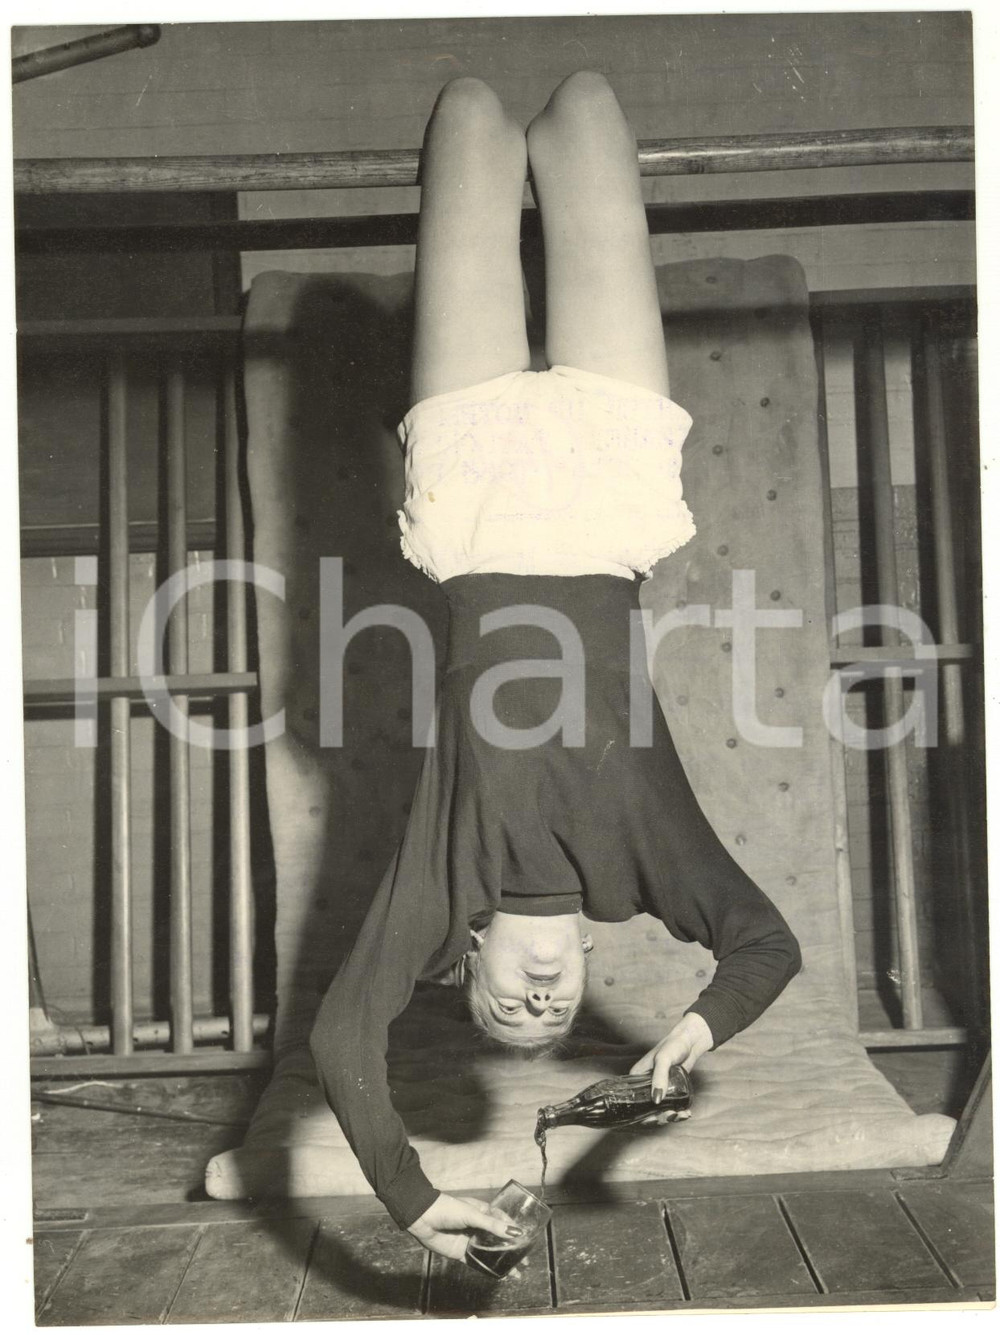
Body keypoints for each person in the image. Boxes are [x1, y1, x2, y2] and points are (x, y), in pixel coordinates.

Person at [309, 72, 801, 1261]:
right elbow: (765, 947)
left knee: (470, 114)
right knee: (586, 109)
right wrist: (695, 1030)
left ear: (464, 963)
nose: (534, 1006)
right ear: (585, 960)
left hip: (476, 511)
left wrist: (415, 1202)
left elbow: (338, 1043)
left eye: (502, 1013)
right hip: (605, 503)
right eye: (556, 1011)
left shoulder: (442, 884)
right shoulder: (642, 868)